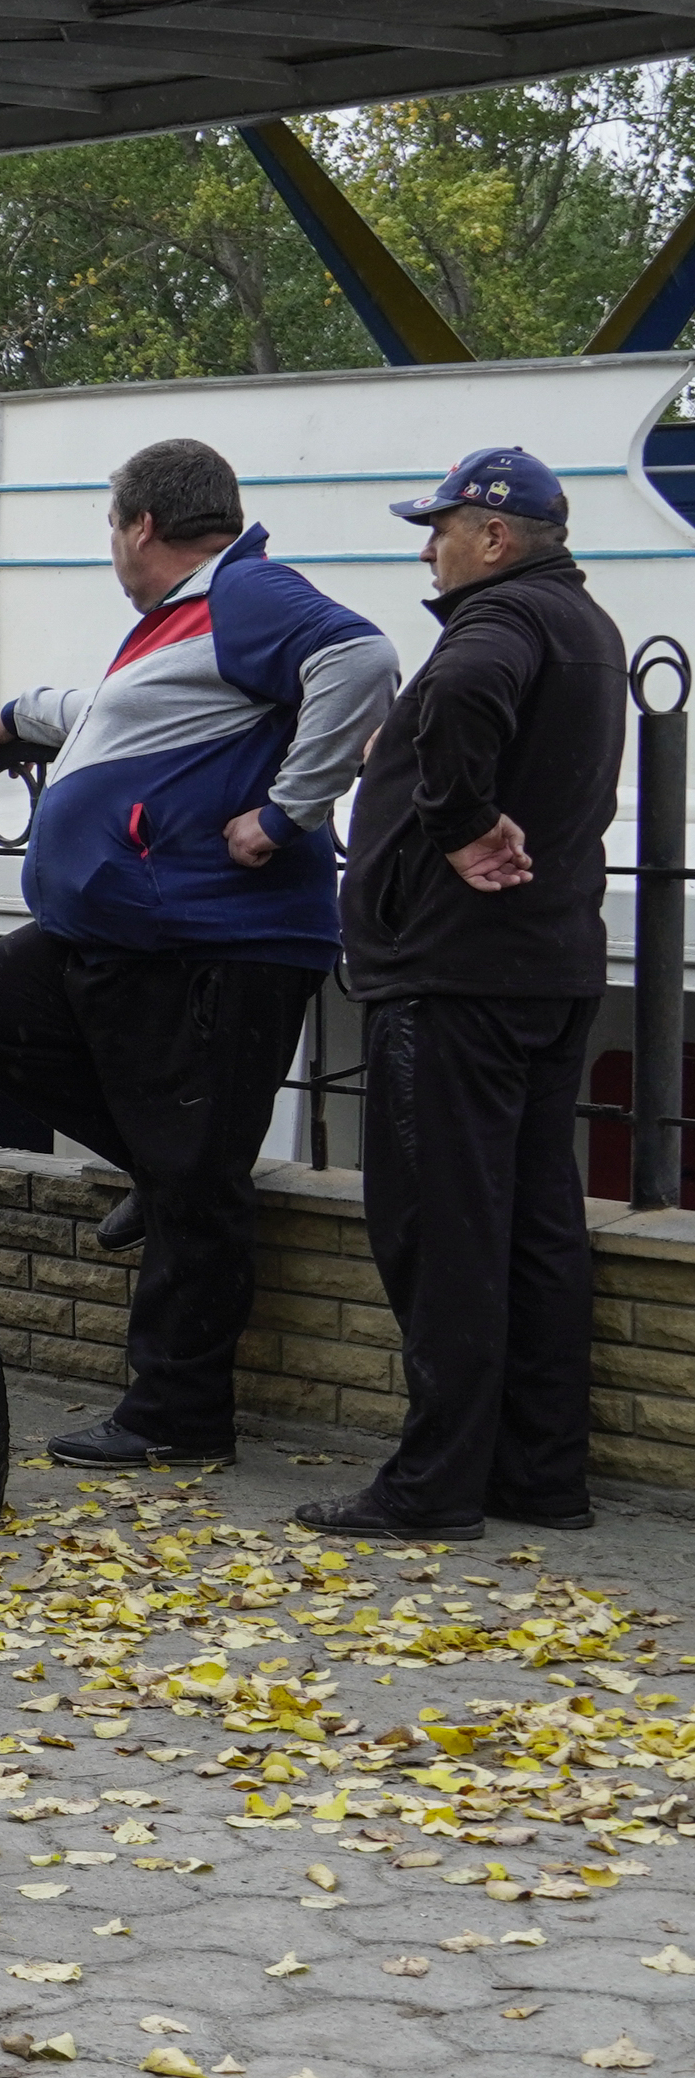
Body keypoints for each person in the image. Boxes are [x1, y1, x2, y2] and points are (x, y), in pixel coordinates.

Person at [0, 438, 397, 1468]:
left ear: (138, 525)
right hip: (132, 932)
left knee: (198, 1183)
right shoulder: (182, 624)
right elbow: (120, 722)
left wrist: (284, 813)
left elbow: (360, 660)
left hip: (208, 940)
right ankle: (155, 1167)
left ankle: (175, 1417)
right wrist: (22, 713)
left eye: (111, 528)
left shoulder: (247, 593)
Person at [303, 450, 628, 1543]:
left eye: (437, 527)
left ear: (491, 536)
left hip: (452, 980)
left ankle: (430, 1486)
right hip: (546, 969)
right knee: (533, 1226)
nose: (426, 547)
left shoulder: (491, 625)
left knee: (437, 1229)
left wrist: (451, 819)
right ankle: (538, 1474)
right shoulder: (582, 624)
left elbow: (463, 707)